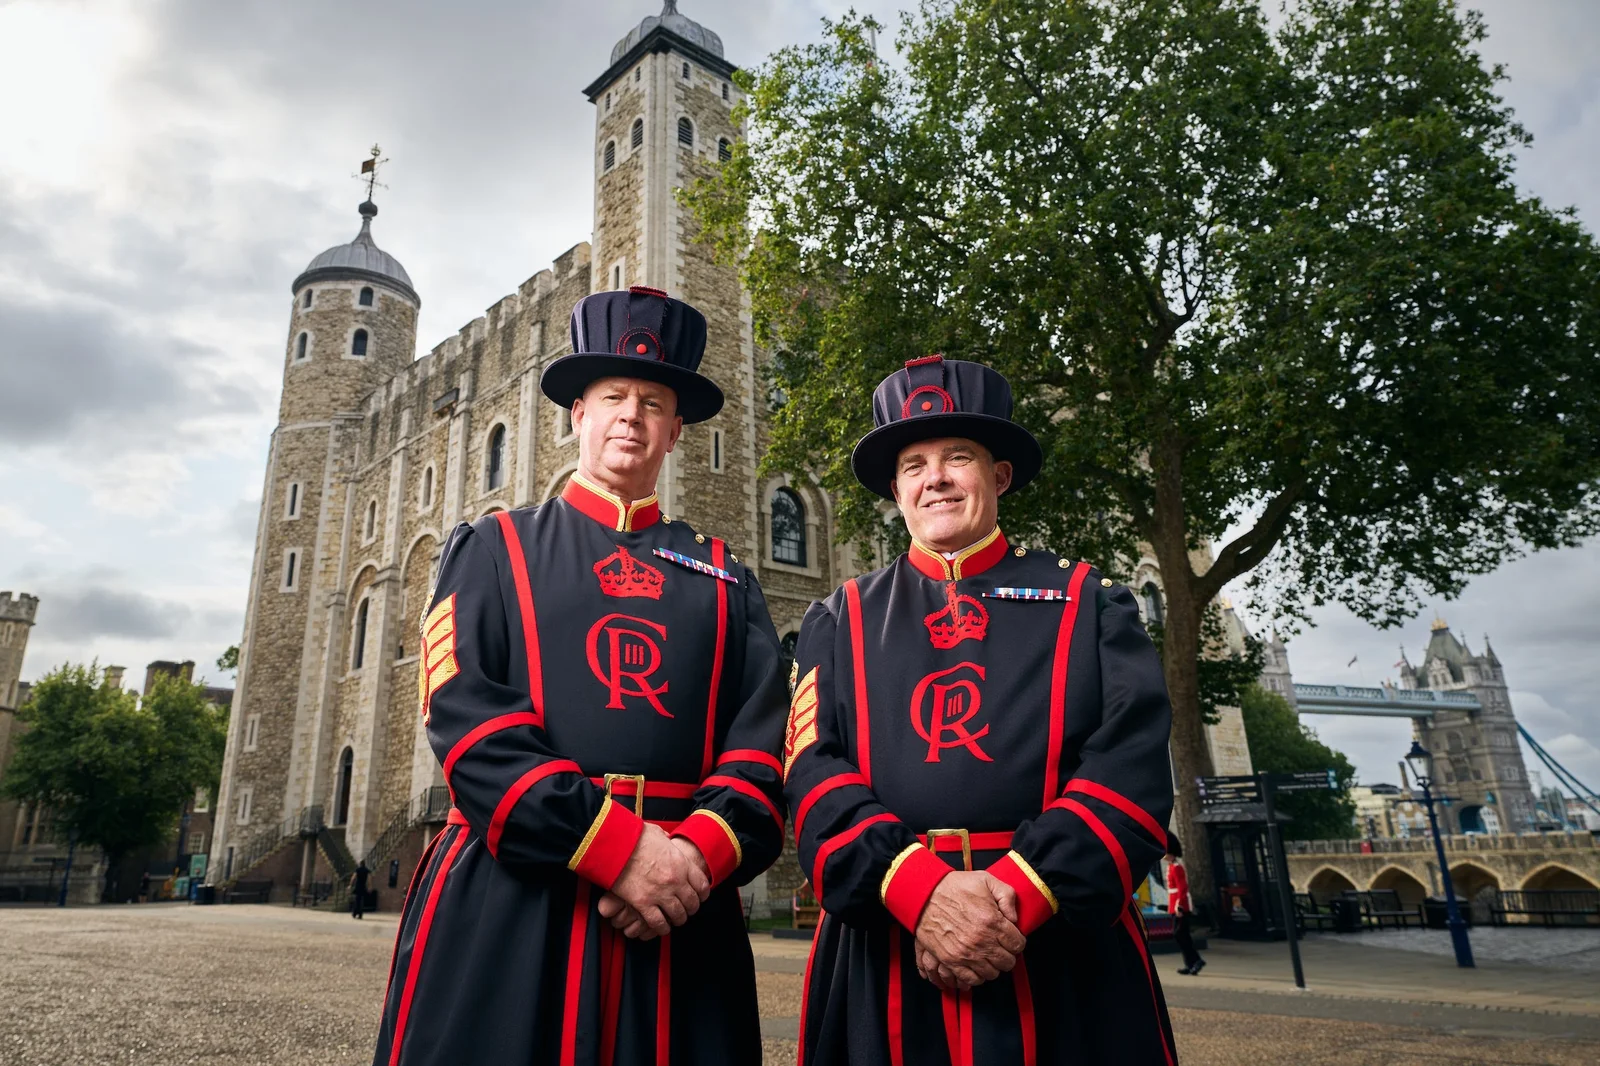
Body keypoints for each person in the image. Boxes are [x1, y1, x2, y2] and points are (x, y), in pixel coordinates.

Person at [372, 287, 788, 1066]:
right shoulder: (491, 550)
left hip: (683, 907)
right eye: (614, 397)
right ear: (578, 417)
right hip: (514, 900)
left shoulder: (728, 577)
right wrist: (618, 849)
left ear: (675, 432)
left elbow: (764, 748)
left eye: (653, 402)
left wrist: (691, 857)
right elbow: (467, 725)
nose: (632, 415)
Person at [784, 356, 1179, 1065]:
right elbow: (812, 774)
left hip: (1061, 951)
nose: (934, 477)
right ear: (896, 489)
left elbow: (1134, 771)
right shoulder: (837, 618)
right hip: (887, 945)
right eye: (914, 464)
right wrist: (918, 890)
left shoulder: (1091, 603)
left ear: (998, 476)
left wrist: (1017, 897)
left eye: (957, 457)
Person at [1165, 836, 1204, 976]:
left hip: (1180, 907)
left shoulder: (1177, 868)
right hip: (1174, 905)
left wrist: (1179, 906)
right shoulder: (1171, 867)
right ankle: (1190, 963)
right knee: (1181, 936)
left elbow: (1182, 889)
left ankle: (1196, 961)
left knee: (1181, 935)